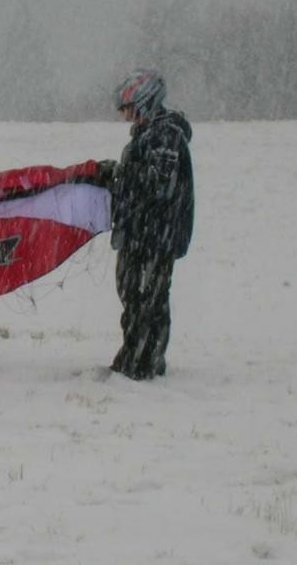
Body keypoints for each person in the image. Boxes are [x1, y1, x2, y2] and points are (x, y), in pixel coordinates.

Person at [99, 68, 194, 380]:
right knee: (134, 296)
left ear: (145, 102)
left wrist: (118, 174)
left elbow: (158, 185)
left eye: (129, 109)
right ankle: (138, 358)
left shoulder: (165, 136)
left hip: (156, 236)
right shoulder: (147, 135)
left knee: (147, 300)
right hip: (139, 232)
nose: (126, 116)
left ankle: (141, 363)